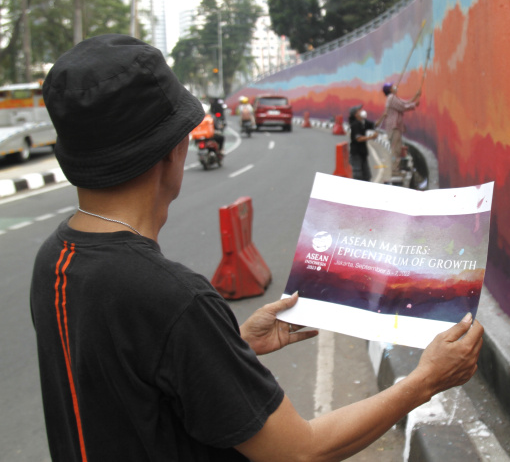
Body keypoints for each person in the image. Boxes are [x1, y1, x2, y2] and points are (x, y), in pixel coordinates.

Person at [30, 34, 483, 461]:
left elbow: (131, 388)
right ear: (172, 151)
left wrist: (229, 346)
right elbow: (300, 450)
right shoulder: (172, 299)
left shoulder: (55, 260)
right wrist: (425, 380)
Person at [380, 82, 420, 177]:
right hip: (394, 127)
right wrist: (414, 105)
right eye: (392, 86)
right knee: (395, 149)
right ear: (390, 90)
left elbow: (405, 102)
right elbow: (403, 107)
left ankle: (394, 169)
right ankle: (394, 170)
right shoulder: (392, 98)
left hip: (395, 127)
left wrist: (416, 96)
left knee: (396, 149)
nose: (395, 87)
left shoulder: (393, 98)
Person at [348, 105, 377, 182]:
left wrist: (384, 115)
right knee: (358, 176)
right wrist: (371, 137)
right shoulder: (355, 124)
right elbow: (358, 138)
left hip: (363, 153)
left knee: (367, 176)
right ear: (355, 114)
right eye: (359, 111)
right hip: (356, 154)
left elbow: (375, 125)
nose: (361, 112)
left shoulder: (363, 122)